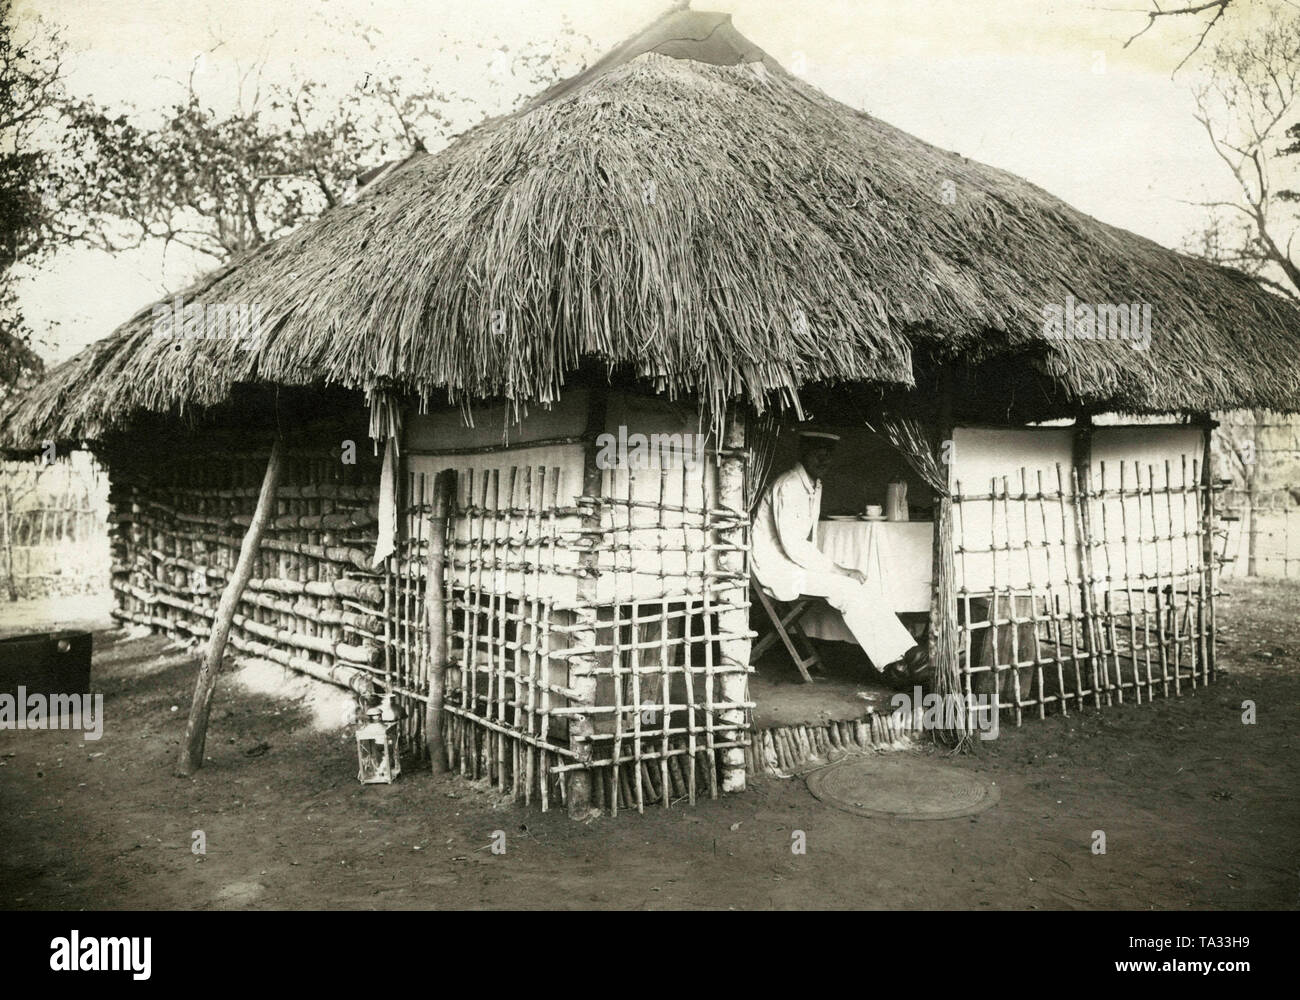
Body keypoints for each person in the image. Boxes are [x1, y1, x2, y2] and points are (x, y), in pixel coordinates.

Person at [751, 430, 929, 685]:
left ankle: (907, 658)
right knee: (846, 587)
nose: (824, 460)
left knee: (859, 585)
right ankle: (900, 664)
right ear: (804, 452)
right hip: (775, 569)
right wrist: (839, 570)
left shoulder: (814, 484)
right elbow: (793, 546)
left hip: (793, 564)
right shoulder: (789, 486)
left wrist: (836, 571)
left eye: (829, 454)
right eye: (818, 453)